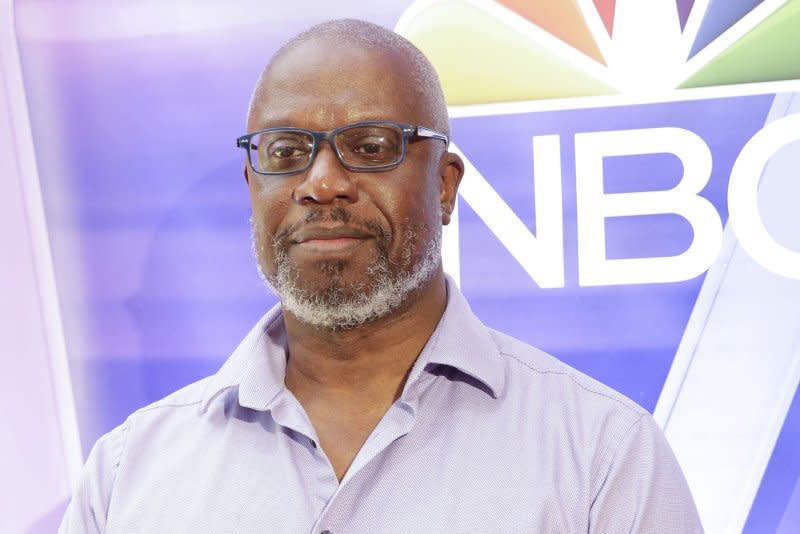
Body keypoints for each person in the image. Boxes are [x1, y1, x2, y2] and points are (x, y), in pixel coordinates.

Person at [60, 19, 704, 533]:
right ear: (252, 186)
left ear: (445, 186)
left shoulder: (601, 454)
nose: (322, 183)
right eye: (285, 153)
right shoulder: (128, 473)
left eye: (370, 147)